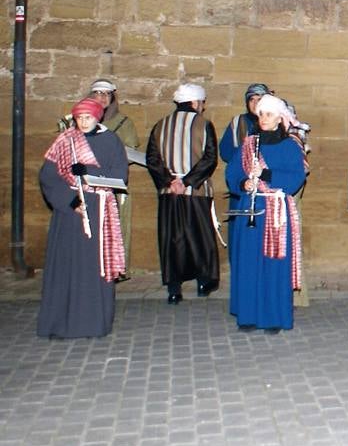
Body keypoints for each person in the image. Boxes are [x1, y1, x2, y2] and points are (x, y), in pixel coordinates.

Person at [37, 97, 128, 339]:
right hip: (69, 212)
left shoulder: (111, 141)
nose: (84, 122)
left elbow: (119, 175)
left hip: (98, 210)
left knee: (93, 267)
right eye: (79, 118)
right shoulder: (65, 141)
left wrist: (89, 172)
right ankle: (60, 323)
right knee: (66, 265)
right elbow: (48, 176)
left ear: (97, 117)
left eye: (88, 117)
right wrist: (69, 201)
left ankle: (92, 323)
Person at [225, 94, 306, 333]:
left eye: (268, 114)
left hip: (275, 212)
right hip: (250, 210)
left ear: (280, 118)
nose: (263, 118)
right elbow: (232, 173)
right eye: (261, 114)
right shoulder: (249, 144)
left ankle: (273, 317)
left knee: (273, 264)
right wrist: (243, 184)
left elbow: (296, 177)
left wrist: (266, 175)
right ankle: (248, 314)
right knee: (248, 262)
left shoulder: (290, 145)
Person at [145, 83, 219, 304]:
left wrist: (169, 181)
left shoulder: (160, 125)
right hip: (196, 192)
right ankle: (204, 283)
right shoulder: (204, 124)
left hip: (170, 193)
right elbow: (210, 158)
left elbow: (152, 159)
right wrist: (187, 181)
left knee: (171, 239)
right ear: (196, 102)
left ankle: (174, 289)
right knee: (201, 238)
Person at [219, 82, 270, 306]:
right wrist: (244, 166)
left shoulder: (274, 123)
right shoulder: (238, 123)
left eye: (261, 98)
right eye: (252, 99)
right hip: (244, 187)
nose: (256, 103)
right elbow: (227, 152)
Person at [88, 79, 140, 262]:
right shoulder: (82, 120)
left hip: (112, 182)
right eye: (99, 93)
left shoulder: (123, 123)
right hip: (88, 183)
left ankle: (113, 266)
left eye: (107, 94)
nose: (102, 98)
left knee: (113, 227)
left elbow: (130, 151)